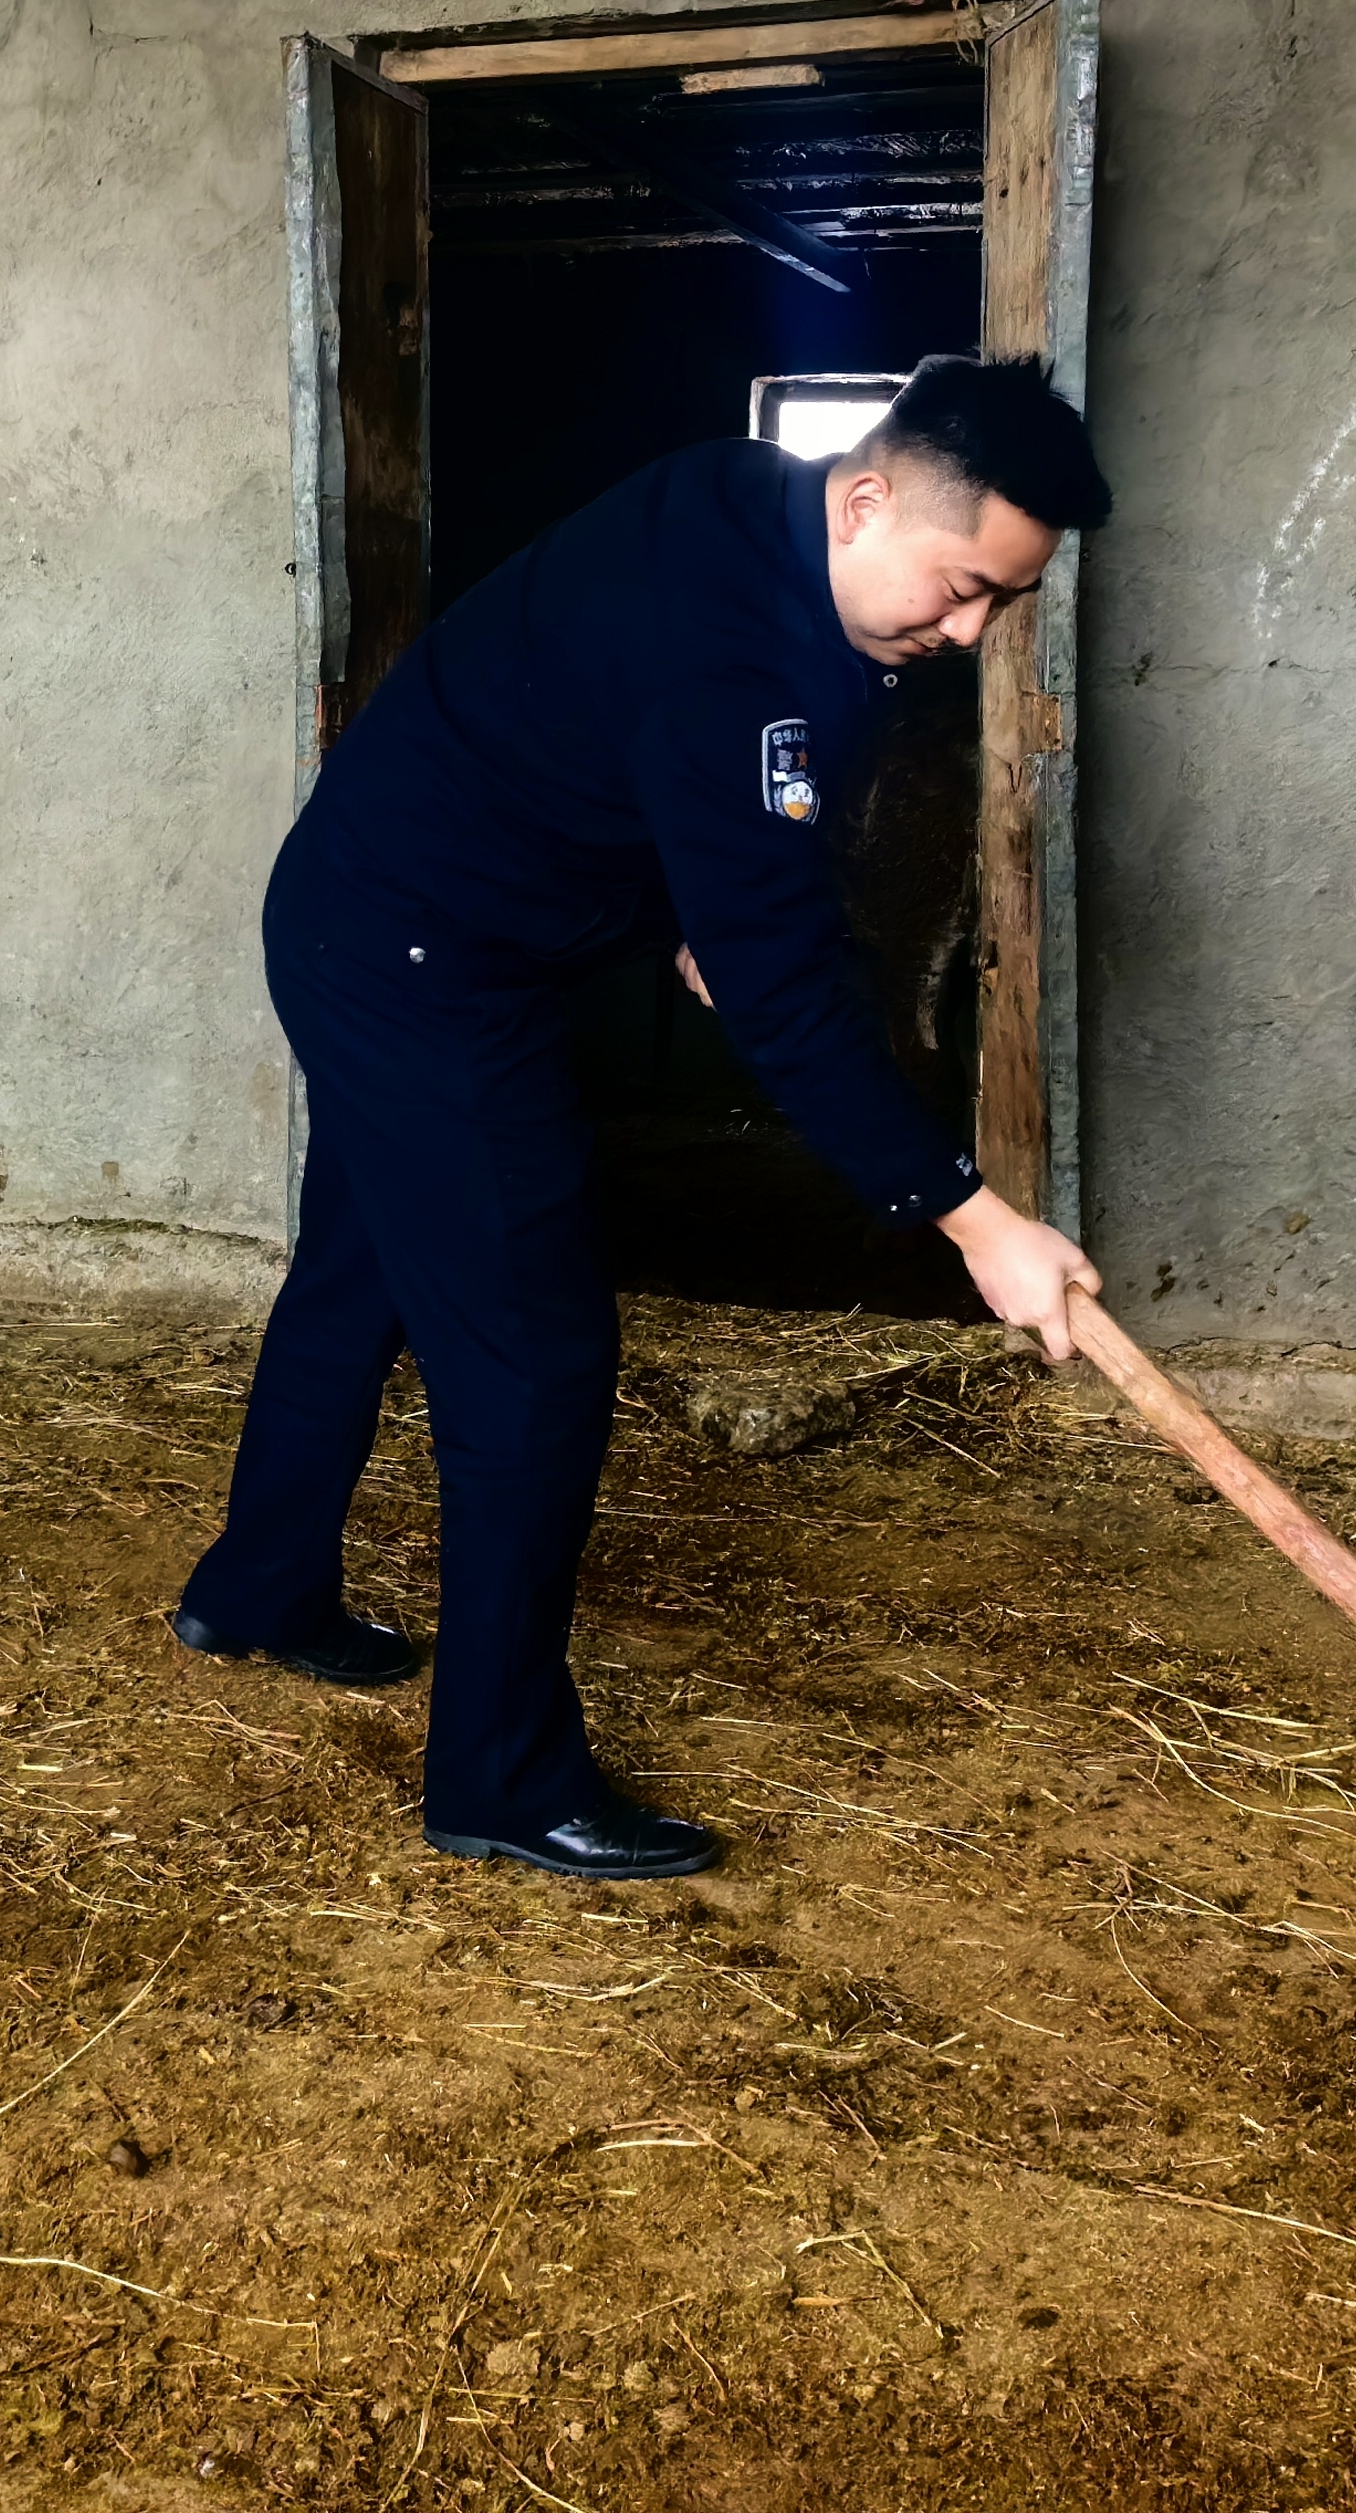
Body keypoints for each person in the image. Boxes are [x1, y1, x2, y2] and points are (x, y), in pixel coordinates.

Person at [172, 356, 1111, 1881]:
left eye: (1005, 603)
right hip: (417, 960)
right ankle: (500, 1777)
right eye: (962, 590)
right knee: (538, 1362)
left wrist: (698, 900)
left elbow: (674, 756)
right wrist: (973, 1217)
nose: (969, 634)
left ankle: (257, 1587)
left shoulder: (756, 511)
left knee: (363, 1263)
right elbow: (785, 992)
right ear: (866, 499)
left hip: (376, 908)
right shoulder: (727, 640)